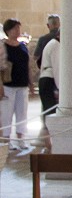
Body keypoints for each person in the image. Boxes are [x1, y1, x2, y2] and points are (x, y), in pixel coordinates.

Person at [1, 18, 35, 146]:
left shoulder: (23, 46)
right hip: (8, 84)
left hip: (22, 84)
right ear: (8, 30)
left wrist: (31, 83)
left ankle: (21, 138)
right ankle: (7, 140)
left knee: (22, 112)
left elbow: (28, 65)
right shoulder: (2, 45)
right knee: (7, 113)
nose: (18, 30)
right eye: (15, 28)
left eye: (19, 28)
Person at [38, 32, 61, 120]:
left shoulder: (53, 43)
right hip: (49, 79)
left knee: (48, 110)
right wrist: (60, 88)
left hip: (45, 78)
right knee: (51, 112)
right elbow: (57, 67)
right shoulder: (56, 45)